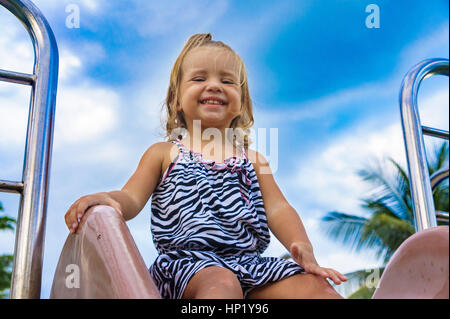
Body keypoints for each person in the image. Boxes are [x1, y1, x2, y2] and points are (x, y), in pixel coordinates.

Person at [64, 33, 348, 299]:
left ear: (242, 102)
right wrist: (109, 199)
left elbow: (278, 209)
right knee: (222, 284)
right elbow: (131, 198)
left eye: (227, 81)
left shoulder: (254, 160)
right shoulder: (164, 153)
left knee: (315, 288)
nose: (214, 85)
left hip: (250, 266)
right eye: (199, 78)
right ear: (176, 100)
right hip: (188, 267)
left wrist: (303, 247)